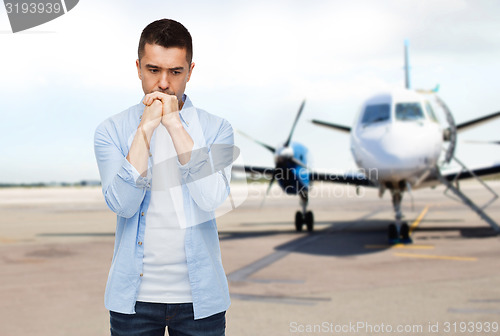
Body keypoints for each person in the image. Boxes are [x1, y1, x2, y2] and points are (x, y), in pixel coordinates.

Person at [94, 18, 233, 336]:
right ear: (139, 68)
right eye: (153, 70)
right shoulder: (111, 130)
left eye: (175, 72)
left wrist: (174, 124)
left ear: (191, 70)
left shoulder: (217, 128)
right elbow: (123, 205)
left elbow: (212, 198)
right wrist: (145, 129)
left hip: (201, 302)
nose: (163, 84)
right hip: (133, 303)